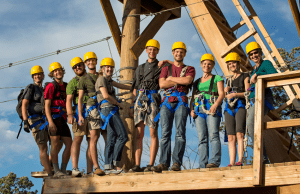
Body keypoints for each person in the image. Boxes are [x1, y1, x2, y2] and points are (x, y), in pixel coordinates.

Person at [152, 42, 195, 172]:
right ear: (173, 53)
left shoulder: (190, 68)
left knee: (180, 133)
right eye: (176, 51)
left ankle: (176, 162)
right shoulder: (166, 68)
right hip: (166, 102)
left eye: (181, 52)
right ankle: (163, 163)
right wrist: (177, 80)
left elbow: (188, 81)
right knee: (165, 133)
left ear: (185, 54)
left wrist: (171, 79)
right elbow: (162, 84)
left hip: (181, 101)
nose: (178, 54)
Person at [129, 39, 162, 172]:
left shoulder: (161, 67)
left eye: (154, 49)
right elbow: (134, 90)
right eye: (150, 49)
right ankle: (137, 164)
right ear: (146, 50)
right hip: (140, 100)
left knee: (153, 131)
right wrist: (132, 106)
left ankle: (150, 164)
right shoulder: (140, 68)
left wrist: (167, 62)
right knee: (138, 134)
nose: (152, 51)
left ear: (157, 51)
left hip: (153, 99)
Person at [95, 57, 130, 174]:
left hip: (110, 110)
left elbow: (120, 85)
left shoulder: (109, 81)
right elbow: (105, 95)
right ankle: (116, 164)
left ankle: (108, 166)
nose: (109, 69)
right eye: (107, 67)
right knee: (123, 136)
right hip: (109, 109)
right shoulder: (101, 79)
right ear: (103, 68)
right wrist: (118, 103)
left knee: (111, 139)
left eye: (111, 67)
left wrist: (133, 87)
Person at [190, 54, 224, 168]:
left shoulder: (217, 78)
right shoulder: (197, 82)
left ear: (213, 65)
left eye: (209, 64)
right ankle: (202, 164)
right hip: (199, 108)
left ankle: (214, 161)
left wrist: (215, 105)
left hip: (211, 106)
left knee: (213, 134)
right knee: (202, 138)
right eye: (204, 64)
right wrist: (192, 110)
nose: (206, 66)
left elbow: (222, 93)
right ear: (201, 65)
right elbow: (193, 96)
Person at [245, 42, 277, 164]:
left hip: (263, 99)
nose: (254, 56)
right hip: (254, 100)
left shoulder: (266, 63)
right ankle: (261, 156)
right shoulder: (254, 69)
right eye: (251, 54)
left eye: (256, 53)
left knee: (251, 123)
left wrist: (258, 74)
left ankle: (262, 157)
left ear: (260, 52)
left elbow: (274, 74)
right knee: (253, 126)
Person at [77, 52, 106, 176]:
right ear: (85, 63)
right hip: (92, 108)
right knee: (93, 138)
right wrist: (80, 115)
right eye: (88, 61)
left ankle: (109, 165)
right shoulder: (84, 78)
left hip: (104, 107)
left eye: (92, 60)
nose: (90, 63)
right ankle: (96, 167)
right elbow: (79, 99)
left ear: (96, 61)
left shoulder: (101, 76)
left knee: (106, 137)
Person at [22, 66, 52, 176]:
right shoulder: (31, 88)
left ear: (43, 75)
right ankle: (49, 172)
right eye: (35, 75)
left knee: (57, 141)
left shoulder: (43, 89)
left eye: (39, 74)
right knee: (43, 146)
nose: (37, 76)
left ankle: (47, 163)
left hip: (46, 119)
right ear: (33, 77)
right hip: (35, 120)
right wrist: (25, 121)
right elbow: (24, 104)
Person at [44, 62, 72, 177]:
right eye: (55, 71)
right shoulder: (51, 86)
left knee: (69, 144)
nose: (58, 72)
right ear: (52, 74)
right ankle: (56, 171)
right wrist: (50, 121)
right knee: (55, 144)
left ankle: (63, 169)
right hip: (54, 118)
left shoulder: (66, 86)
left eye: (59, 70)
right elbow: (47, 106)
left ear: (62, 71)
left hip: (62, 118)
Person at [66, 57, 92, 177]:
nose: (77, 68)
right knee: (77, 139)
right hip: (78, 111)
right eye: (75, 67)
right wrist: (70, 114)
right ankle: (75, 168)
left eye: (79, 65)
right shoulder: (72, 82)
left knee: (91, 140)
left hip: (92, 109)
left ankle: (90, 170)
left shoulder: (92, 77)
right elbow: (69, 100)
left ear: (84, 65)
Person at [223, 52, 250, 166]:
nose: (231, 65)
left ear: (238, 63)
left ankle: (239, 160)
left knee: (240, 133)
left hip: (240, 105)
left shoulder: (245, 76)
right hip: (229, 107)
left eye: (233, 62)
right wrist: (225, 92)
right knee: (230, 136)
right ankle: (231, 162)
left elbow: (248, 92)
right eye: (229, 63)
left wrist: (235, 95)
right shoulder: (228, 80)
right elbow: (226, 97)